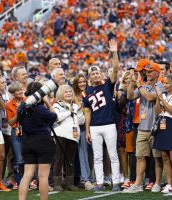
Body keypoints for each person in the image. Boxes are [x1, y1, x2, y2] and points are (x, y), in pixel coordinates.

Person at [83, 40, 120, 192]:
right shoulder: (86, 92)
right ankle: (99, 183)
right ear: (89, 77)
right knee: (97, 156)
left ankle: (116, 183)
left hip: (109, 124)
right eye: (93, 73)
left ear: (101, 74)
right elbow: (87, 113)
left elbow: (116, 69)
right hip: (94, 126)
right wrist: (87, 130)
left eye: (97, 72)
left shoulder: (107, 85)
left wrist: (114, 52)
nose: (96, 75)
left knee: (113, 154)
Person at [124, 63, 165, 193]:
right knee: (140, 156)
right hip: (142, 127)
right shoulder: (145, 85)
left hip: (156, 127)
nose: (147, 73)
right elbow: (130, 96)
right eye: (146, 72)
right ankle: (137, 183)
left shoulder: (161, 86)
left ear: (157, 73)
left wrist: (139, 84)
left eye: (150, 71)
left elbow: (150, 97)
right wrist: (131, 82)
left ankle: (157, 183)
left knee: (157, 158)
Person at [18, 82, 57, 200]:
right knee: (43, 176)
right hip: (43, 142)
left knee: (27, 175)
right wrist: (47, 102)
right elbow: (54, 117)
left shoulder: (21, 107)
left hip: (27, 142)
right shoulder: (41, 109)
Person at [52, 84, 85, 191]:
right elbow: (56, 118)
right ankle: (57, 183)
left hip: (73, 136)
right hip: (60, 135)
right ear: (61, 94)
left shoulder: (75, 106)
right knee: (59, 159)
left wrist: (79, 111)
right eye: (66, 92)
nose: (69, 93)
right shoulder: (56, 105)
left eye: (70, 92)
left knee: (70, 160)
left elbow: (82, 121)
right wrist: (68, 112)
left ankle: (69, 183)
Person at [72, 74, 94, 190]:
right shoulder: (73, 95)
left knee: (92, 154)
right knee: (83, 153)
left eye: (83, 82)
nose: (82, 84)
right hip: (81, 128)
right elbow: (81, 109)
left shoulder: (91, 92)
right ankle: (85, 179)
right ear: (76, 84)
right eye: (79, 82)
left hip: (93, 126)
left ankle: (90, 177)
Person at [6, 81, 25, 188]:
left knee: (28, 157)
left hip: (27, 131)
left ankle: (30, 180)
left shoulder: (27, 101)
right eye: (17, 90)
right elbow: (10, 122)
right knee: (18, 158)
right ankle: (18, 181)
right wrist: (18, 112)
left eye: (21, 89)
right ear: (13, 92)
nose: (20, 92)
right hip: (16, 132)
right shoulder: (9, 105)